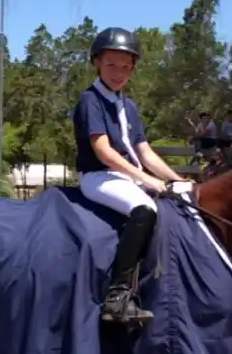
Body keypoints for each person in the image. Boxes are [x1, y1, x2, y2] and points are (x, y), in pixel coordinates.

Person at [73, 27, 184, 327]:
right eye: (111, 64)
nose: (118, 73)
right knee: (145, 208)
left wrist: (177, 180)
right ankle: (117, 295)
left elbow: (145, 152)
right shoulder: (90, 100)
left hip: (125, 176)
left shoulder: (129, 106)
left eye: (125, 67)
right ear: (97, 62)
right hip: (99, 176)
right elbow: (103, 152)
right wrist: (147, 180)